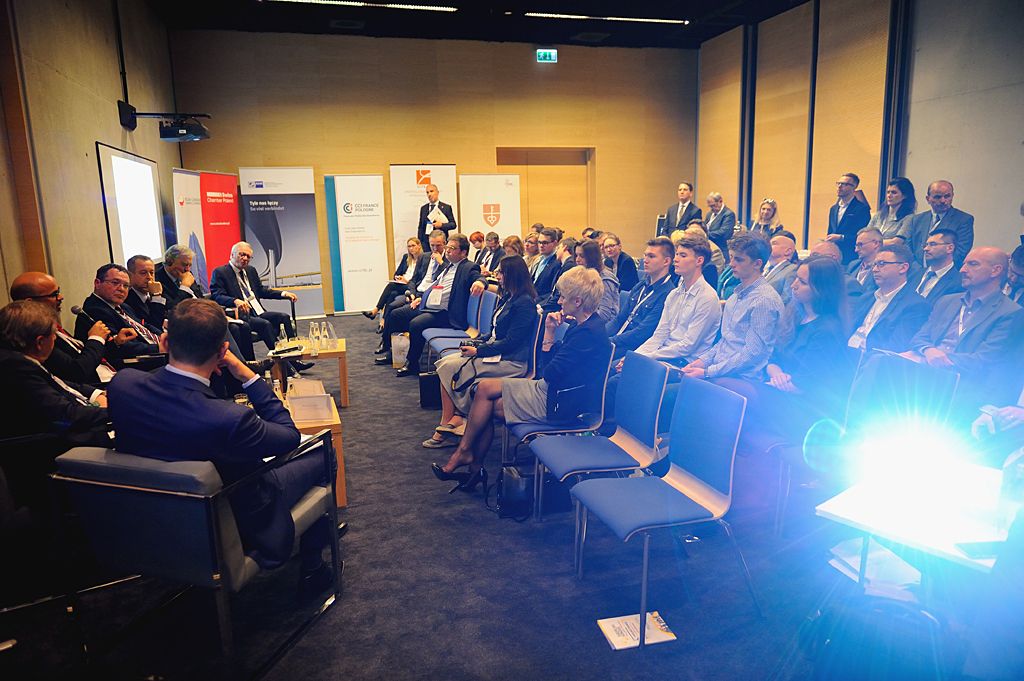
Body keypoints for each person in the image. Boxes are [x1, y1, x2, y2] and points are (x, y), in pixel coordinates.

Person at [107, 298, 333, 590]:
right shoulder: (229, 419)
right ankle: (313, 566)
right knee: (323, 450)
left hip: (150, 520)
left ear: (164, 342)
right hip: (233, 516)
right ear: (223, 351)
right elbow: (288, 436)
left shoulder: (122, 385)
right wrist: (247, 374)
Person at [430, 267, 610, 491]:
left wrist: (549, 336)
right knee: (483, 390)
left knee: (485, 401)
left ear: (578, 301)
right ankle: (469, 461)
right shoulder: (583, 326)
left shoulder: (587, 334)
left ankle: (469, 461)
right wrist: (550, 337)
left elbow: (549, 372)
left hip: (558, 403)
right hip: (552, 391)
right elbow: (551, 369)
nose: (559, 301)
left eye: (563, 297)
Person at [718, 256, 851, 444]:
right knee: (721, 389)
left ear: (821, 290)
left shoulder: (828, 330)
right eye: (796, 278)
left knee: (727, 388)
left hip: (802, 407)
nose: (794, 285)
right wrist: (777, 374)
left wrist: (779, 381)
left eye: (802, 282)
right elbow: (773, 357)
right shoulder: (796, 315)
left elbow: (806, 383)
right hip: (780, 389)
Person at [0, 301, 112, 519]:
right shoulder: (14, 368)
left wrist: (96, 395)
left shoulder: (18, 358)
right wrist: (117, 410)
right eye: (53, 335)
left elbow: (59, 383)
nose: (55, 340)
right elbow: (65, 416)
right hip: (51, 448)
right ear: (40, 342)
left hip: (68, 428)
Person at [423, 256, 539, 449]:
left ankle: (448, 424)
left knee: (450, 367)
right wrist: (476, 342)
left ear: (513, 275)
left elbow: (511, 343)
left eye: (501, 272)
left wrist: (478, 350)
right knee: (446, 363)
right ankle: (454, 419)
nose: (497, 276)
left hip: (511, 362)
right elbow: (494, 332)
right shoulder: (509, 297)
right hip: (496, 353)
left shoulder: (524, 303)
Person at [902, 247, 1024, 408]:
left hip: (963, 386)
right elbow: (919, 338)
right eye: (964, 264)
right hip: (923, 377)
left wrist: (929, 358)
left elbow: (983, 359)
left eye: (973, 264)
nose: (962, 270)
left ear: (995, 270)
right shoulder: (947, 301)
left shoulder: (1011, 312)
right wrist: (928, 350)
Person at [379, 234, 487, 377]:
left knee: (416, 324)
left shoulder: (468, 267)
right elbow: (436, 287)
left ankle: (412, 363)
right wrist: (422, 298)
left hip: (446, 314)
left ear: (463, 252)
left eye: (452, 248)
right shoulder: (449, 266)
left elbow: (478, 276)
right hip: (429, 307)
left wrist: (480, 282)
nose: (448, 250)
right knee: (396, 314)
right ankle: (392, 353)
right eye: (447, 247)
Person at [681, 233, 784, 382]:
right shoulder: (736, 296)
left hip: (742, 378)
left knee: (674, 391)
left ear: (757, 264)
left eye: (739, 259)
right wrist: (701, 362)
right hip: (722, 371)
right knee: (668, 381)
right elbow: (725, 342)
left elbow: (753, 354)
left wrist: (707, 372)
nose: (731, 264)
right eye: (731, 257)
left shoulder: (764, 300)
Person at [9, 272, 129, 385]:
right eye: (54, 295)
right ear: (30, 302)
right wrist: (96, 339)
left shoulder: (52, 326)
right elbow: (77, 372)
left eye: (58, 292)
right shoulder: (34, 335)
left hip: (109, 376)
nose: (61, 297)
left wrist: (116, 342)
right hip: (95, 386)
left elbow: (83, 354)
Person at [210, 241, 300, 350]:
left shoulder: (250, 270)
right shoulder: (220, 272)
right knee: (265, 324)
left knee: (284, 317)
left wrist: (283, 293)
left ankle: (294, 351)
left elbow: (261, 291)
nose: (245, 258)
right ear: (232, 255)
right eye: (242, 254)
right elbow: (217, 295)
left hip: (258, 311)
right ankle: (280, 354)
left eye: (248, 256)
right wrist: (235, 301)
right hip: (242, 314)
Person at [847, 243, 931, 353]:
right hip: (847, 352)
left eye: (881, 264)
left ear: (903, 268)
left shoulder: (916, 305)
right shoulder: (867, 297)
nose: (874, 269)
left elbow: (894, 348)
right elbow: (848, 330)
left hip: (870, 358)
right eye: (874, 265)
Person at [375, 230, 447, 354]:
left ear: (444, 243)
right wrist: (412, 292)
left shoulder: (447, 260)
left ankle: (391, 348)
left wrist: (440, 262)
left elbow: (447, 279)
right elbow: (414, 279)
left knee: (397, 314)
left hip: (429, 297)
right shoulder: (424, 257)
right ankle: (388, 345)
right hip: (417, 292)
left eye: (438, 245)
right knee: (392, 307)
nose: (435, 248)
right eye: (432, 245)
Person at [75, 264, 161, 363]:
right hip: (132, 362)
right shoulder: (94, 310)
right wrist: (159, 347)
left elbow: (144, 325)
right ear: (97, 283)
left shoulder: (122, 306)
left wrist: (163, 336)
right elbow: (124, 347)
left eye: (126, 286)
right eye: (115, 283)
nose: (121, 289)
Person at [605, 237, 675, 358]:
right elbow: (619, 319)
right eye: (645, 255)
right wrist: (600, 335)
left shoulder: (668, 294)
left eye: (651, 256)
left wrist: (608, 341)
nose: (645, 260)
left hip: (634, 348)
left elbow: (642, 333)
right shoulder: (641, 285)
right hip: (619, 340)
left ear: (666, 261)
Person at [897, 180, 975, 264]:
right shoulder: (917, 219)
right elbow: (908, 248)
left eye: (947, 196)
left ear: (952, 196)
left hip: (945, 270)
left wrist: (936, 268)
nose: (943, 200)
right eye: (937, 197)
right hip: (916, 269)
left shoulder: (963, 220)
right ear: (928, 199)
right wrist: (916, 268)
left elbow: (960, 252)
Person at [364, 237, 424, 321]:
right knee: (392, 293)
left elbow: (420, 279)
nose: (411, 248)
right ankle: (384, 321)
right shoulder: (406, 257)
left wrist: (407, 281)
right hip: (402, 285)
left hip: (412, 287)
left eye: (413, 246)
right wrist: (398, 278)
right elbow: (397, 273)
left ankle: (376, 310)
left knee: (391, 286)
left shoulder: (424, 259)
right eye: (409, 246)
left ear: (419, 246)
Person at [826, 173, 872, 263]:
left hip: (851, 255)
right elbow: (830, 231)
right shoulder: (833, 208)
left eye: (844, 184)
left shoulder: (862, 209)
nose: (840, 186)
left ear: (854, 187)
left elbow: (863, 236)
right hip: (834, 255)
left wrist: (842, 237)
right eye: (838, 183)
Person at [910, 228, 964, 303]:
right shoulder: (914, 274)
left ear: (950, 248)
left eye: (933, 244)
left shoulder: (959, 282)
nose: (926, 249)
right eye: (926, 245)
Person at [575, 238, 619, 322]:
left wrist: (579, 316)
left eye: (582, 256)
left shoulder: (605, 279)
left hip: (605, 325)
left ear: (592, 257)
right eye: (576, 255)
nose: (577, 260)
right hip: (588, 320)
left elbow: (604, 314)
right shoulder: (584, 275)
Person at [123, 255, 168, 329]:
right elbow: (154, 326)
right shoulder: (126, 300)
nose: (149, 277)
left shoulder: (158, 290)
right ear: (130, 275)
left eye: (152, 273)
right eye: (143, 273)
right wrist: (156, 297)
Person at [867, 177, 916, 243]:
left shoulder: (909, 218)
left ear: (905, 196)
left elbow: (897, 242)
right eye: (888, 192)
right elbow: (866, 235)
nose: (889, 196)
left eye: (894, 192)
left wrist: (872, 243)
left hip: (893, 249)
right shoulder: (878, 215)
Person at [416, 183, 457, 249]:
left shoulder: (446, 207)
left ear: (437, 192)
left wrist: (441, 225)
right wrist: (420, 243)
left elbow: (453, 225)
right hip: (426, 244)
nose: (429, 194)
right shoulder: (423, 208)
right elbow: (421, 227)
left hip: (440, 243)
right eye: (427, 192)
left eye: (431, 191)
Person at [763, 232, 800, 297]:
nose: (768, 246)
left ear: (787, 251)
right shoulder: (764, 269)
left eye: (774, 243)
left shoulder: (792, 270)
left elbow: (786, 298)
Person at [530, 228, 561, 301]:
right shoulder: (538, 260)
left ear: (555, 243)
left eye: (545, 243)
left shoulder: (557, 262)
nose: (541, 245)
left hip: (543, 302)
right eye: (539, 242)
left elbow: (552, 292)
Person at [704, 191, 737, 259]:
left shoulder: (728, 214)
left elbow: (723, 233)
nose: (711, 208)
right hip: (709, 248)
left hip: (721, 250)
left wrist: (705, 235)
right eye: (710, 206)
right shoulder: (709, 214)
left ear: (720, 201)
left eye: (713, 205)